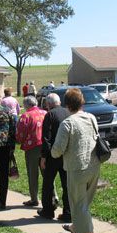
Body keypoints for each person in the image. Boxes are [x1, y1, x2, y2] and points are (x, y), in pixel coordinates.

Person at [51, 88, 101, 233]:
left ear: (67, 105)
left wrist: (51, 152)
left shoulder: (68, 123)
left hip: (77, 169)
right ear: (82, 102)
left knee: (79, 204)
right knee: (84, 202)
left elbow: (57, 150)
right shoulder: (92, 118)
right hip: (94, 166)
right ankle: (74, 227)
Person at [38, 93, 71, 222]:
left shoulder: (50, 115)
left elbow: (46, 138)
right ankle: (68, 212)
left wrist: (43, 157)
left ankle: (48, 211)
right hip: (66, 154)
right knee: (66, 184)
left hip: (52, 156)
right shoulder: (68, 113)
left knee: (48, 183)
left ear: (48, 104)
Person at [16, 96, 47, 206]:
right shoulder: (45, 113)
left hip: (32, 147)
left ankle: (34, 198)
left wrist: (20, 141)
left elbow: (20, 133)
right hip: (45, 146)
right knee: (47, 173)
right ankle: (53, 196)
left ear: (26, 105)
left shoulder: (26, 115)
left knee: (33, 174)